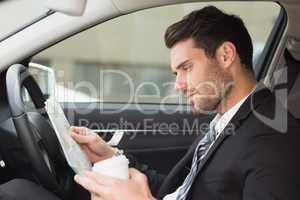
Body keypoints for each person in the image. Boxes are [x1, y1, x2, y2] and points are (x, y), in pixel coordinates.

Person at [1, 5, 300, 200]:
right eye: (175, 72)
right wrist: (109, 156)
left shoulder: (274, 143)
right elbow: (179, 188)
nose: (179, 85)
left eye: (186, 68)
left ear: (225, 56)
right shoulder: (230, 119)